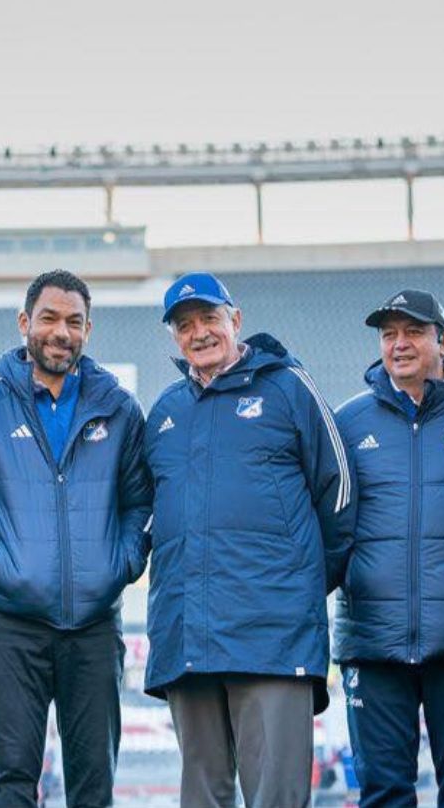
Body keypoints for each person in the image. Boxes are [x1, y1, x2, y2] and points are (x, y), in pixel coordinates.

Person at [0, 269, 152, 808]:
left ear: (88, 330)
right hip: (8, 625)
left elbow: (144, 504)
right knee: (12, 780)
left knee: (94, 786)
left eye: (74, 322)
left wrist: (117, 565)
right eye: (49, 318)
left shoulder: (118, 409)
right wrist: (2, 566)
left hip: (95, 626)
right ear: (25, 323)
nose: (61, 332)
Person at [144, 271, 355, 808]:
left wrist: (297, 585)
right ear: (174, 336)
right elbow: (149, 515)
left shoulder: (287, 387)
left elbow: (340, 494)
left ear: (235, 320)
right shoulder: (166, 412)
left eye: (209, 319)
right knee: (203, 798)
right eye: (185, 325)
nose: (199, 333)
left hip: (273, 639)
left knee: (276, 799)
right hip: (188, 640)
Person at [334, 289, 444, 808]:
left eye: (412, 332)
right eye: (389, 335)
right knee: (384, 793)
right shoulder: (348, 421)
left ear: (443, 341)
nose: (398, 344)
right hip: (373, 642)